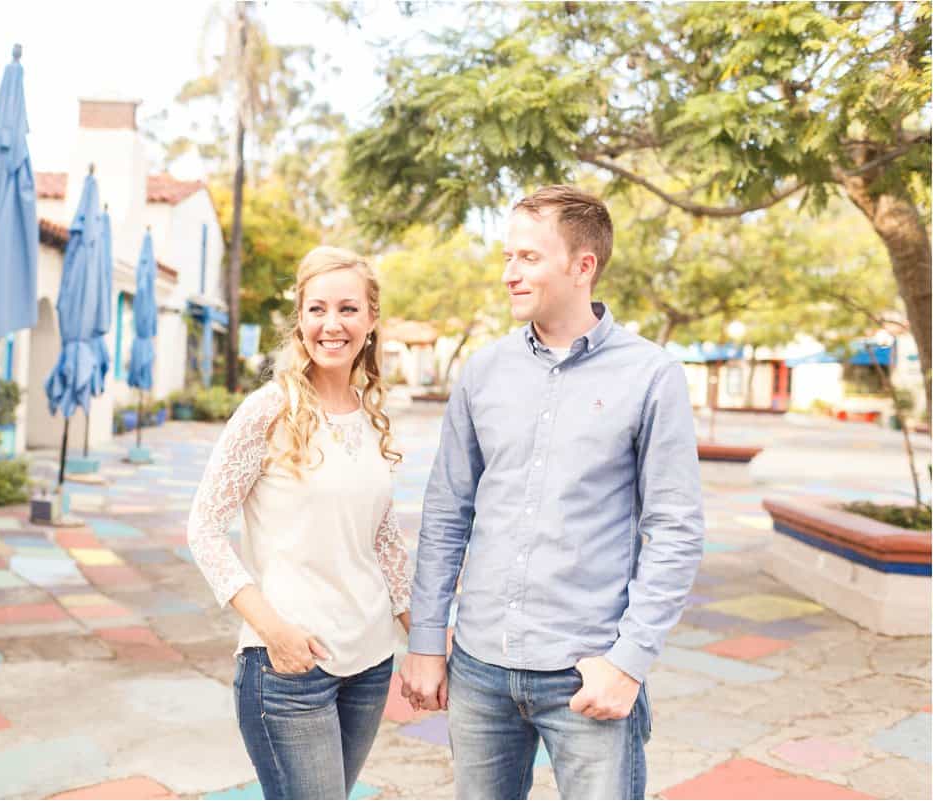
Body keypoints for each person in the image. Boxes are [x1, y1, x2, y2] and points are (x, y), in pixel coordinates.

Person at [399, 185, 705, 800]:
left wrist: (629, 662)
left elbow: (675, 529)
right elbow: (446, 515)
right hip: (479, 668)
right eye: (508, 258)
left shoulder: (651, 376)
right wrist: (428, 642)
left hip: (587, 673)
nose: (510, 274)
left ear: (582, 265)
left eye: (529, 258)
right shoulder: (483, 372)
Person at [187, 245, 412, 800]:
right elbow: (204, 527)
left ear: (371, 319)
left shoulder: (371, 417)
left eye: (347, 309)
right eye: (317, 309)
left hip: (370, 663)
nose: (331, 324)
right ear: (301, 320)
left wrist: (427, 641)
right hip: (290, 669)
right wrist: (274, 632)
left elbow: (384, 544)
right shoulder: (269, 409)